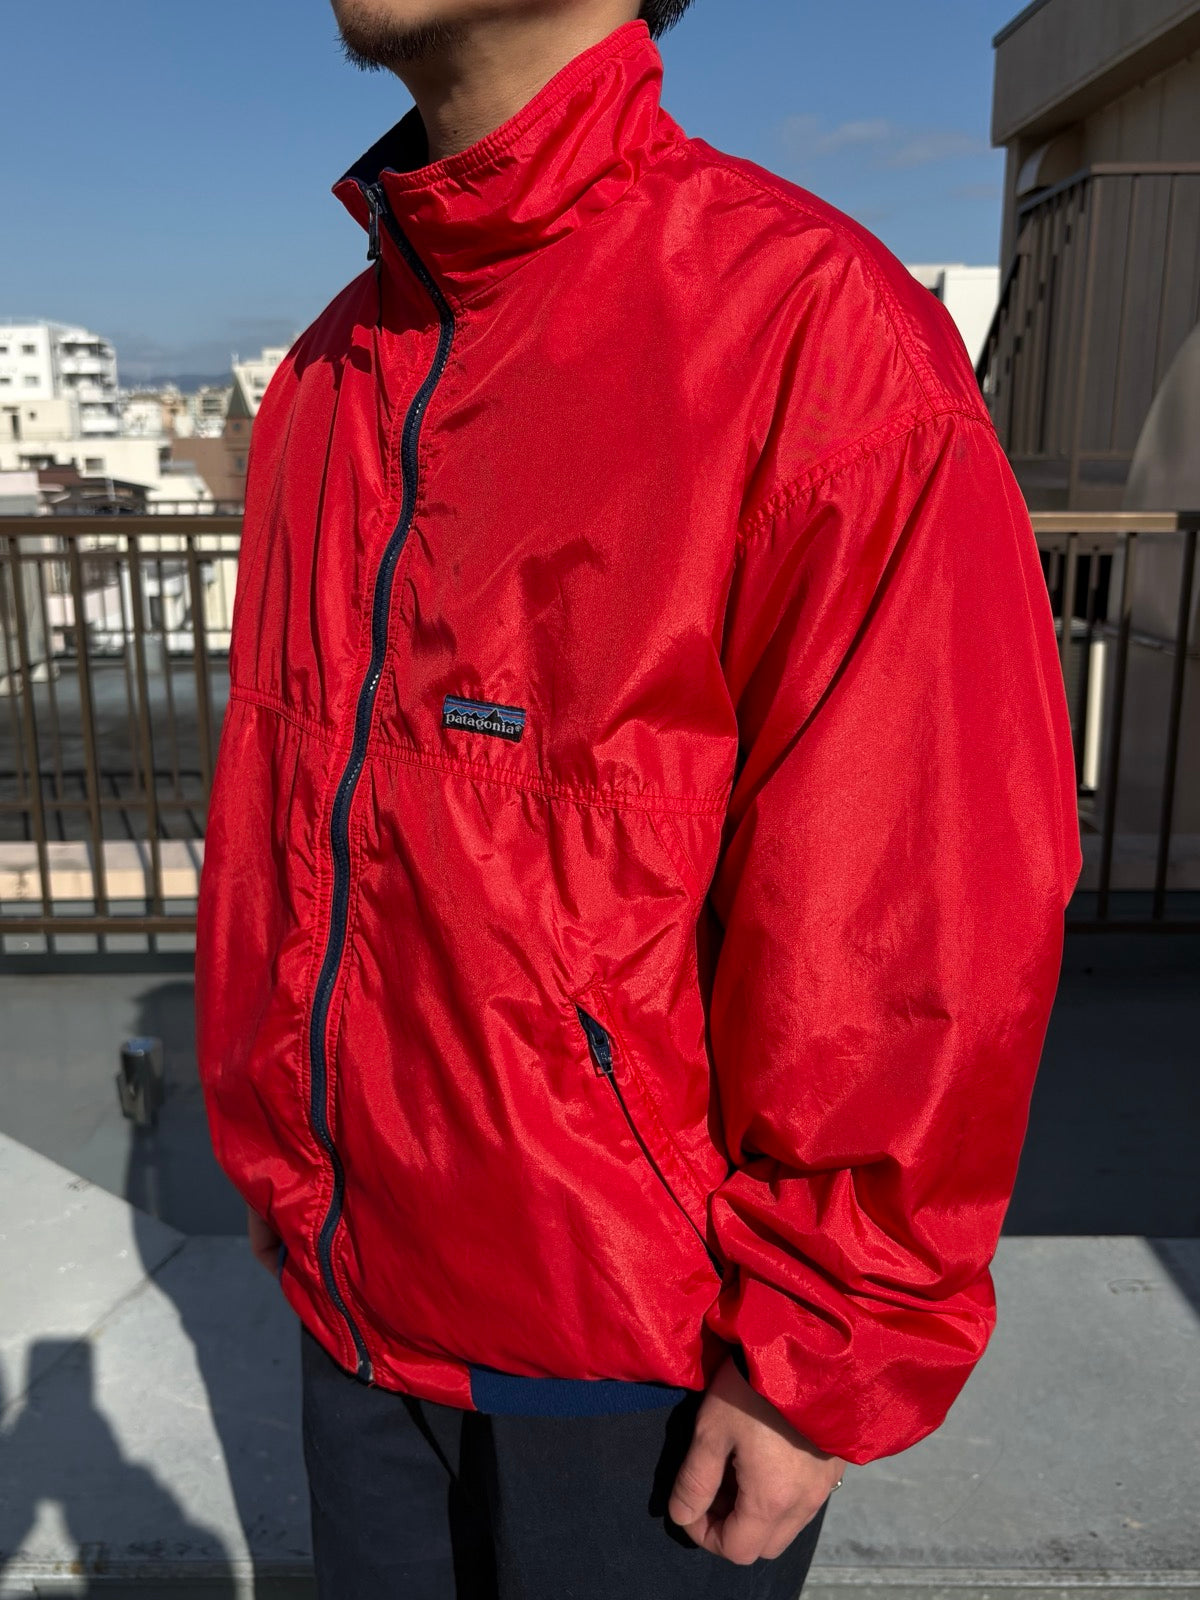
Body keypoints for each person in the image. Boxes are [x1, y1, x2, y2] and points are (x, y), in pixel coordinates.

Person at [194, 1, 1082, 1595]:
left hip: (639, 1366)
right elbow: (285, 800)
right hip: (356, 1298)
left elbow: (921, 897)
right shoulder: (330, 371)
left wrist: (822, 1341)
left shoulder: (807, 327)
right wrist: (276, 1129)